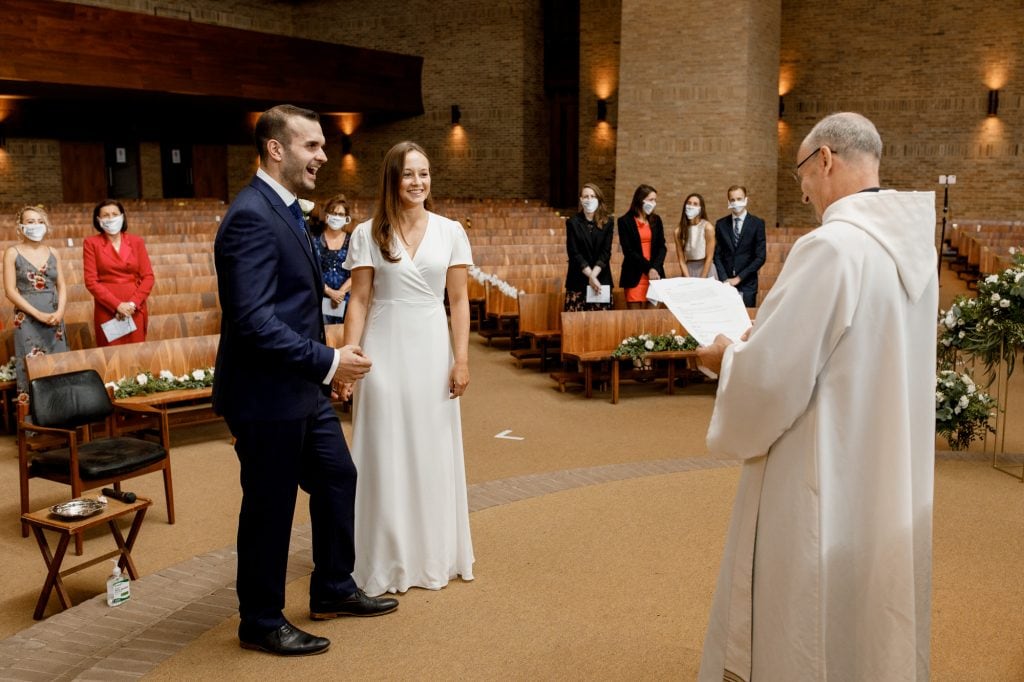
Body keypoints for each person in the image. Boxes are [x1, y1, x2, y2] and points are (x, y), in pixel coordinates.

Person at [696, 112, 937, 681]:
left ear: (825, 159)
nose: (802, 191)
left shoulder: (832, 248)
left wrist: (727, 358)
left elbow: (772, 379)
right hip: (885, 464)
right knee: (870, 603)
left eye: (801, 172)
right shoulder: (915, 253)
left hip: (821, 462)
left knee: (808, 599)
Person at [213, 104, 398, 658]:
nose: (323, 155)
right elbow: (253, 322)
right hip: (265, 393)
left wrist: (323, 371)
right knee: (269, 506)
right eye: (311, 145)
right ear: (276, 149)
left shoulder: (288, 210)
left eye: (322, 145)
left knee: (338, 476)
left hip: (301, 388)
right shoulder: (250, 215)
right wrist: (330, 361)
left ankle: (333, 587)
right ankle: (260, 620)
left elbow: (295, 305)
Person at [342, 140, 475, 596]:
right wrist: (349, 358)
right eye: (408, 174)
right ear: (392, 179)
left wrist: (461, 359)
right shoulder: (367, 233)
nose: (418, 182)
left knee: (430, 447)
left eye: (424, 173)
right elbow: (359, 301)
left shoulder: (450, 231)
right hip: (383, 349)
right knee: (383, 447)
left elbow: (459, 301)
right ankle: (383, 556)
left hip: (432, 350)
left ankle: (432, 553)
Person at [3, 205, 68, 404]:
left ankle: (61, 410)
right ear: (21, 226)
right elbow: (10, 291)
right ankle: (32, 415)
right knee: (30, 364)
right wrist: (38, 315)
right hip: (28, 317)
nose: (36, 225)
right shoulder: (12, 253)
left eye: (40, 221)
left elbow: (62, 285)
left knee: (58, 363)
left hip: (54, 315)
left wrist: (60, 311)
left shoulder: (53, 252)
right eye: (30, 221)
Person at [83, 200, 154, 345]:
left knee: (136, 351)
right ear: (98, 220)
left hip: (134, 307)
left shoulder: (136, 241)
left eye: (114, 214)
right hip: (107, 306)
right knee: (111, 353)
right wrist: (117, 305)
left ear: (122, 216)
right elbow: (90, 281)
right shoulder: (91, 243)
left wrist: (133, 304)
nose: (111, 218)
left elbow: (148, 277)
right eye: (106, 215)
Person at [712, 185, 765, 307]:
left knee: (746, 316)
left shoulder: (757, 224)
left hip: (748, 284)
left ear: (746, 199)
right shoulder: (721, 224)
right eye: (733, 200)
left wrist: (739, 278)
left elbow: (760, 257)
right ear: (728, 202)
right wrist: (725, 279)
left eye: (739, 199)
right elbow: (717, 255)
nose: (736, 202)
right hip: (726, 283)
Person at [564, 183, 614, 311]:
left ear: (598, 199)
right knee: (576, 321)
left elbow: (606, 252)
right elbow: (574, 252)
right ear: (581, 200)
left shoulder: (608, 222)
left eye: (593, 196)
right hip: (578, 278)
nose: (589, 199)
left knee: (601, 321)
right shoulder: (573, 222)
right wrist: (590, 275)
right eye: (586, 196)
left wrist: (594, 276)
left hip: (600, 279)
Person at [617, 184, 666, 309]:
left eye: (655, 200)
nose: (653, 203)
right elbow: (629, 251)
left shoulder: (656, 220)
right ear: (640, 200)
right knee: (636, 318)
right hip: (634, 273)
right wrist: (648, 269)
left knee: (653, 317)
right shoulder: (624, 221)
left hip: (655, 275)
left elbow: (662, 247)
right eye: (650, 200)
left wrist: (654, 269)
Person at [315, 194, 354, 323]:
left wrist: (340, 293)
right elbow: (311, 272)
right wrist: (329, 292)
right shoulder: (315, 242)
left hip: (346, 300)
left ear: (347, 218)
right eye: (333, 213)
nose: (336, 217)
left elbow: (357, 271)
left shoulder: (352, 242)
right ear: (327, 216)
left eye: (340, 214)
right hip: (319, 299)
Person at [674, 192, 717, 278]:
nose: (691, 206)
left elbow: (709, 257)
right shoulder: (678, 231)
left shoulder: (708, 228)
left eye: (695, 204)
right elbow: (681, 260)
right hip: (688, 270)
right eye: (689, 203)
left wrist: (702, 280)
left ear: (701, 208)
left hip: (706, 269)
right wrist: (688, 278)